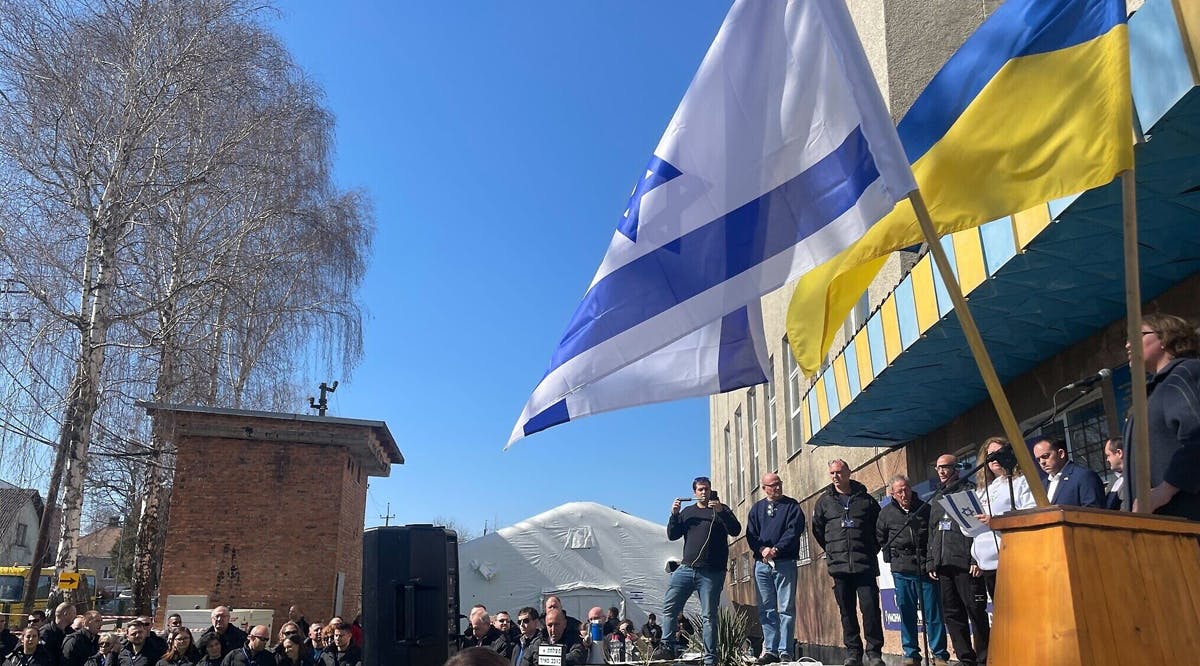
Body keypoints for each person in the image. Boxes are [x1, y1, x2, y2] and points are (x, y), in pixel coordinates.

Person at [660, 476, 741, 666]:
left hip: (711, 572)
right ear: (694, 493)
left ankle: (710, 658)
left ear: (711, 489)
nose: (704, 492)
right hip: (687, 568)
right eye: (700, 490)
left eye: (706, 489)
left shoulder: (721, 510)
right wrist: (674, 515)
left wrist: (722, 512)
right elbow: (672, 535)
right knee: (670, 606)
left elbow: (736, 530)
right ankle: (667, 645)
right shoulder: (688, 512)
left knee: (709, 616)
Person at [1128, 313, 1200, 519]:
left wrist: (1164, 490)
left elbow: (1197, 437)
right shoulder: (1154, 391)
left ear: (1165, 338)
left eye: (1137, 334)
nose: (1128, 344)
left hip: (1187, 517)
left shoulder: (1183, 374)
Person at [812, 459, 883, 666]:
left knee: (870, 609)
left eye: (839, 472)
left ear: (848, 472)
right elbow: (818, 530)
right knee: (847, 612)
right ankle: (853, 652)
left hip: (864, 565)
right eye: (832, 473)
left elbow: (879, 529)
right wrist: (833, 550)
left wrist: (871, 550)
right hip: (839, 566)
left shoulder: (866, 500)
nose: (835, 476)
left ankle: (874, 652)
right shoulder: (824, 502)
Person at [876, 475, 949, 666]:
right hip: (901, 570)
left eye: (906, 489)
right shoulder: (886, 513)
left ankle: (939, 654)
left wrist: (930, 560)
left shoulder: (925, 508)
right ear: (893, 493)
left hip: (925, 567)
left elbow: (934, 535)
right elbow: (881, 537)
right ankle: (911, 654)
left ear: (911, 489)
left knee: (933, 614)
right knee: (907, 613)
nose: (903, 493)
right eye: (899, 490)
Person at [925, 454, 988, 666]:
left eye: (945, 467)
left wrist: (975, 558)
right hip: (943, 564)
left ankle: (985, 658)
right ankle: (966, 659)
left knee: (975, 611)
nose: (941, 472)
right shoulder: (937, 497)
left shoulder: (968, 491)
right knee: (952, 614)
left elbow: (978, 529)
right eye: (938, 468)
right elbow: (932, 530)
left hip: (965, 563)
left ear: (956, 468)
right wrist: (931, 560)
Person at [745, 471, 804, 664]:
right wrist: (762, 549)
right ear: (764, 488)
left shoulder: (792, 506)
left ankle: (785, 650)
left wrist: (776, 550)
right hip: (762, 566)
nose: (777, 487)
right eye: (772, 485)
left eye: (779, 483)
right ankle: (770, 650)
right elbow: (751, 534)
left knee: (786, 608)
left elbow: (794, 531)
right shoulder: (756, 509)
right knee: (766, 608)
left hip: (784, 562)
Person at [973, 437, 1037, 600]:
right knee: (1002, 617)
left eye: (999, 453)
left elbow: (1031, 514)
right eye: (990, 454)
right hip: (987, 564)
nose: (994, 457)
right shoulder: (983, 489)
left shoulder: (1021, 481)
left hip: (1012, 561)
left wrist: (995, 522)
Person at [1033, 438, 1104, 507]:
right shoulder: (1042, 485)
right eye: (1038, 459)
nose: (1042, 462)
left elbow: (1094, 512)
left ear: (1061, 454)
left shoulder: (1084, 477)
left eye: (1045, 456)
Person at [518, 610, 585, 666]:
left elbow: (578, 657)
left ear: (564, 624)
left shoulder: (574, 639)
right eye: (550, 625)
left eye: (556, 625)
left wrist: (551, 659)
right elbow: (525, 661)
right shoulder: (538, 642)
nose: (553, 629)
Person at [1105, 437, 1129, 510]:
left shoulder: (1136, 478)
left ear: (1119, 453)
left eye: (1108, 455)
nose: (1107, 460)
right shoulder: (1113, 481)